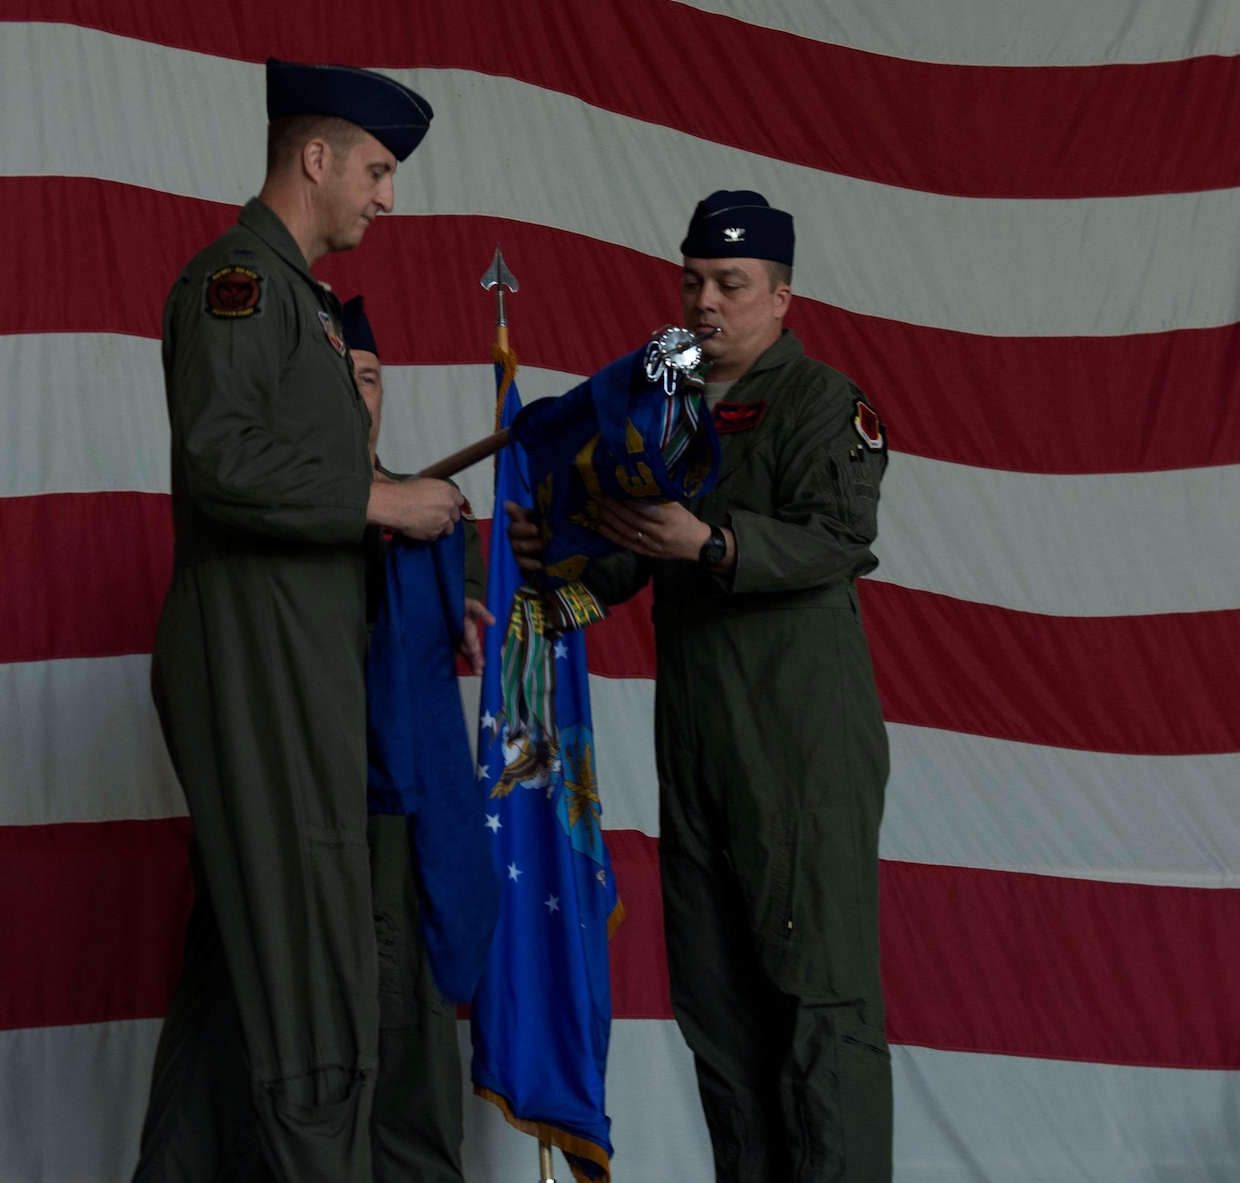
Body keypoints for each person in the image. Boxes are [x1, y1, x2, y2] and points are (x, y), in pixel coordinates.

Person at [510, 190, 892, 1182]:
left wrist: (712, 541)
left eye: (729, 283)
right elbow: (629, 553)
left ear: (779, 298)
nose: (705, 301)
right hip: (696, 744)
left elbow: (837, 538)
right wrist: (559, 561)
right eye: (691, 281)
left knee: (817, 1001)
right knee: (716, 1015)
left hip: (795, 744)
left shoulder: (823, 402)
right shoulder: (666, 396)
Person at [133, 59, 465, 1183]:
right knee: (310, 961)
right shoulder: (239, 281)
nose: (387, 194)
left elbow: (299, 488)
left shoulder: (304, 305)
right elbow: (219, 459)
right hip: (257, 666)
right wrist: (383, 497)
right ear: (312, 158)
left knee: (242, 957)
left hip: (301, 653)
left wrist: (413, 581)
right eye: (375, 169)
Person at [342, 293, 492, 1182]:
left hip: (403, 822)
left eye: (371, 379)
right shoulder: (273, 510)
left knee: (407, 1032)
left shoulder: (429, 512)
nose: (361, 396)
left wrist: (467, 602)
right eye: (343, 378)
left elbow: (477, 592)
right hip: (310, 807)